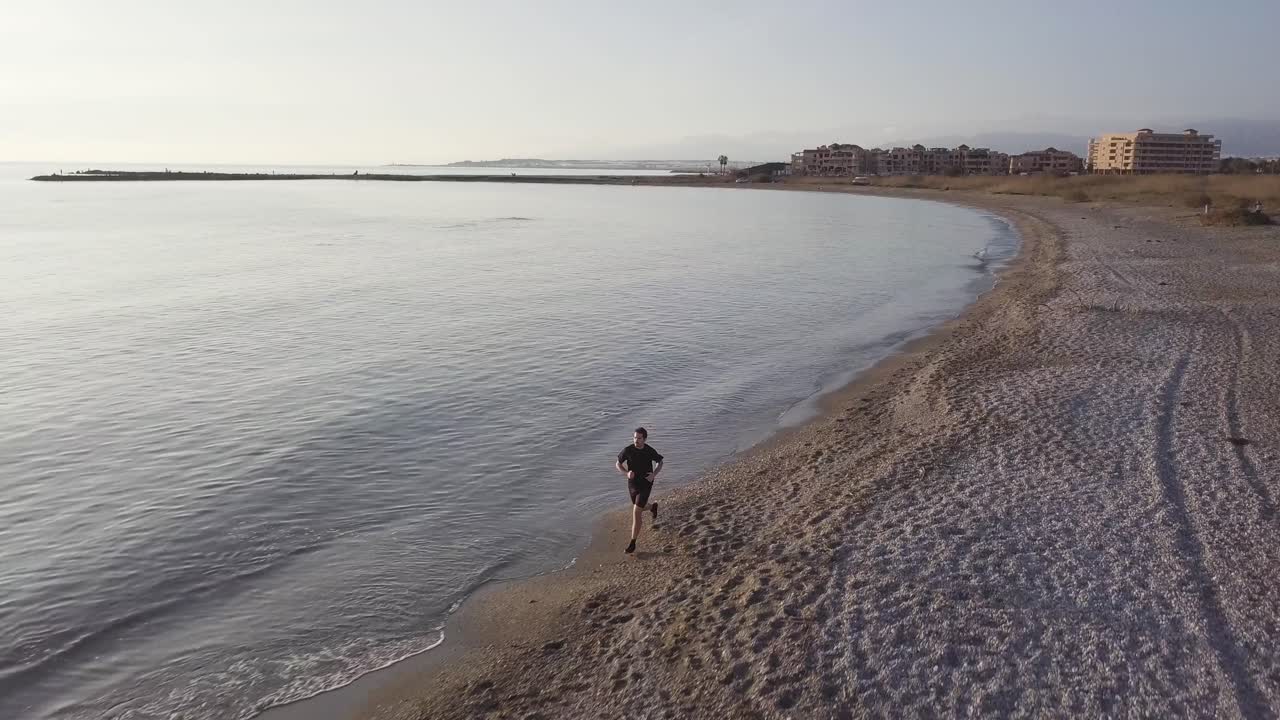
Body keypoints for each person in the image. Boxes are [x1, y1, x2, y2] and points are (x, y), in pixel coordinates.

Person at [615, 427, 664, 554]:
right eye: (635, 437)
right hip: (632, 484)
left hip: (646, 483)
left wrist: (654, 474)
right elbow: (618, 464)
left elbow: (660, 461)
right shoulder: (628, 450)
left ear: (645, 439)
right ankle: (653, 507)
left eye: (639, 438)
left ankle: (633, 543)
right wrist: (626, 473)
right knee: (639, 506)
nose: (636, 440)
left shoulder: (649, 450)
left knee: (637, 511)